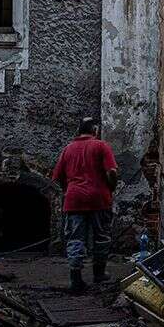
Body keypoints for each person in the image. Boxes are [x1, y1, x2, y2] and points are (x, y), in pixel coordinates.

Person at [51, 117, 119, 292]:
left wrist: (70, 189)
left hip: (74, 199)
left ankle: (76, 278)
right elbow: (111, 171)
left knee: (75, 238)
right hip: (99, 197)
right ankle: (99, 273)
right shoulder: (101, 146)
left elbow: (57, 177)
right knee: (101, 237)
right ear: (94, 130)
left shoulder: (68, 149)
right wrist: (111, 187)